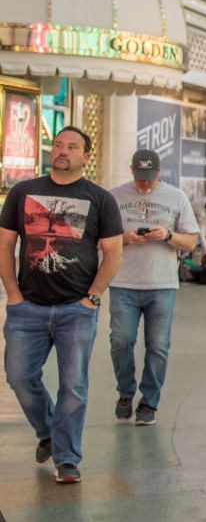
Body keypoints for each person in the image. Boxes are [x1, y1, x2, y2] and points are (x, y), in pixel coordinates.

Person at [0, 126, 124, 484]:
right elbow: (5, 245)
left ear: (87, 156)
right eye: (57, 145)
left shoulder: (100, 199)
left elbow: (113, 252)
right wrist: (12, 292)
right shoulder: (23, 192)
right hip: (28, 307)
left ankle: (67, 458)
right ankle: (47, 431)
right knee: (19, 377)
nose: (62, 151)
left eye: (72, 147)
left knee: (74, 386)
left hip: (76, 309)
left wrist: (92, 298)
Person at [108, 149, 200, 427]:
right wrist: (124, 238)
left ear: (159, 173)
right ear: (131, 170)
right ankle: (125, 392)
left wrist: (168, 235)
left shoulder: (176, 197)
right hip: (123, 282)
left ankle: (149, 402)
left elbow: (191, 242)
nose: (143, 184)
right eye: (139, 178)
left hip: (162, 285)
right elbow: (103, 239)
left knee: (158, 346)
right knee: (120, 341)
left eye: (148, 178)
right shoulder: (114, 197)